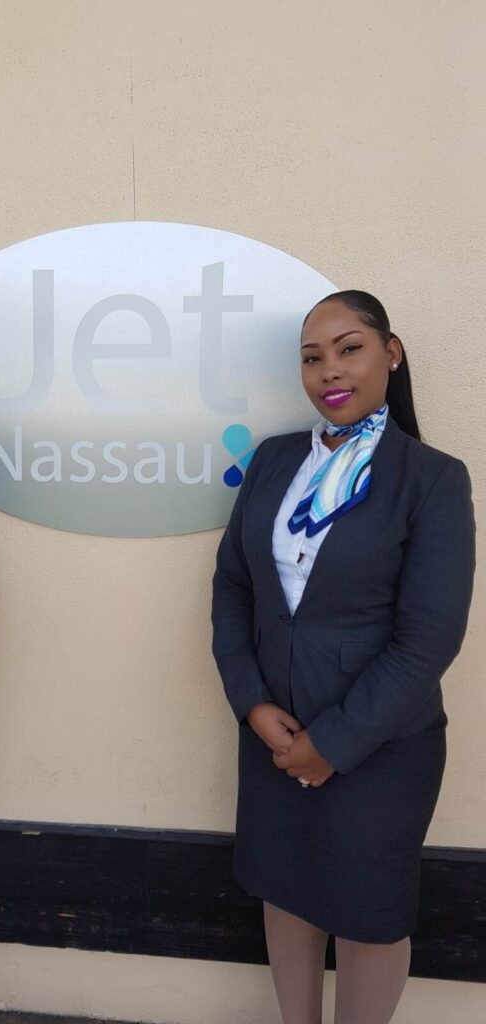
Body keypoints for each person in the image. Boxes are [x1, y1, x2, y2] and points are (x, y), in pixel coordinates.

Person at [211, 291, 475, 1024]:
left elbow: (429, 637)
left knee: (369, 913)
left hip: (382, 747)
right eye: (311, 355)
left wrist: (334, 742)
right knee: (286, 891)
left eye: (350, 347)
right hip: (272, 734)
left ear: (391, 354)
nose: (330, 369)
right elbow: (232, 588)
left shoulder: (432, 479)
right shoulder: (271, 463)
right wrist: (253, 704)